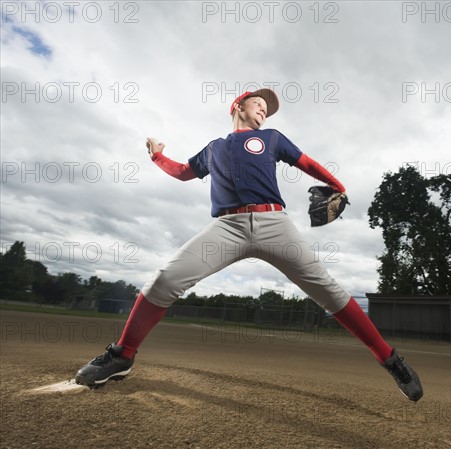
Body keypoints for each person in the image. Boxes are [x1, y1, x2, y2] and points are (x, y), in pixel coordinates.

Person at [75, 88, 423, 402]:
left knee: (328, 290)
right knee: (164, 280)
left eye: (267, 109)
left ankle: (390, 359)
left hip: (275, 225)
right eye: (259, 104)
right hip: (227, 227)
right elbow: (183, 172)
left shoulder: (271, 138)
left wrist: (339, 184)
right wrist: (157, 157)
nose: (264, 111)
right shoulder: (214, 148)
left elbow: (307, 163)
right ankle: (123, 355)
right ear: (238, 105)